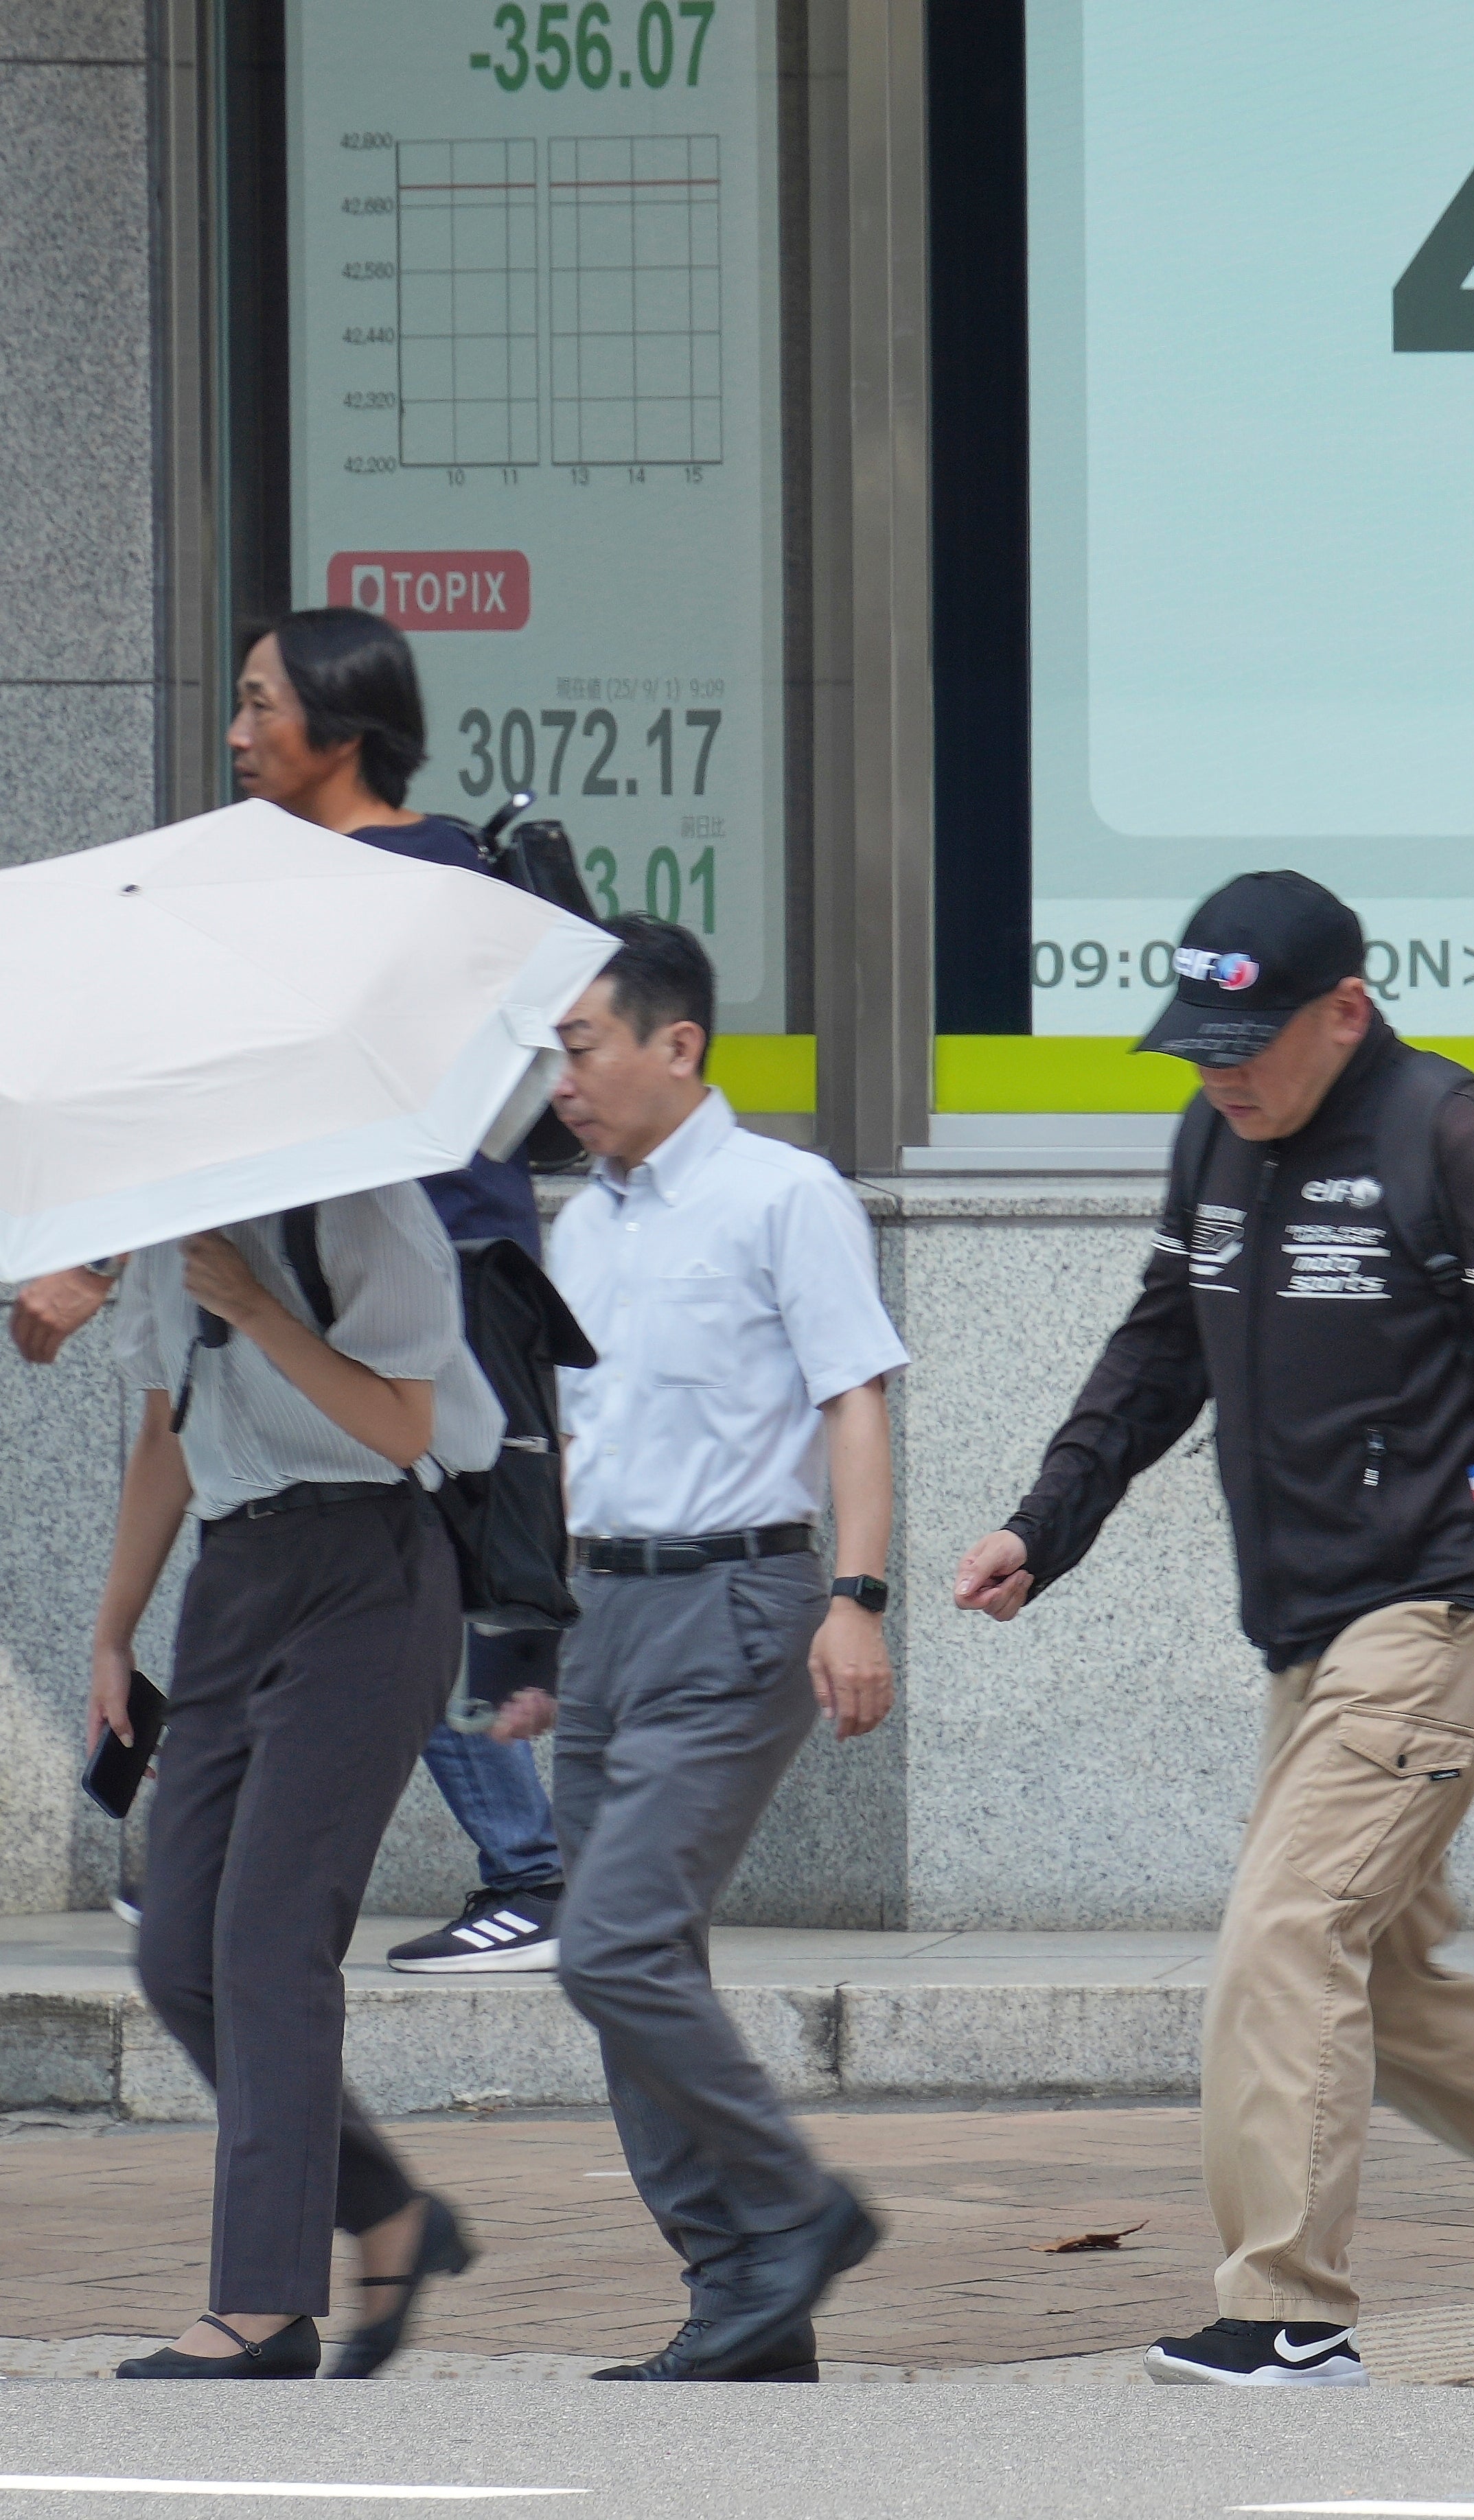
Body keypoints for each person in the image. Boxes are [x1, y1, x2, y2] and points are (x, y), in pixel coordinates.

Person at [953, 872, 1474, 2390]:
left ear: (1344, 1011)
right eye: (1199, 1047)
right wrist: (1046, 1522)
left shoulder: (1456, 1137)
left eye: (1249, 1043)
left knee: (1285, 1932)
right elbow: (1155, 1351)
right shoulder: (1214, 1141)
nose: (1222, 1074)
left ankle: (1288, 2308)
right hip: (1308, 1620)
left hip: (1451, 1597)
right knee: (1377, 1971)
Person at [504, 916, 908, 2383]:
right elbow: (574, 1441)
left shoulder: (781, 1195)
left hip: (742, 1603)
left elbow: (850, 1396)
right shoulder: (578, 1223)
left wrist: (856, 1597)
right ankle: (745, 2291)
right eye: (556, 1055)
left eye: (585, 1048)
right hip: (607, 1614)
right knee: (631, 1958)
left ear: (677, 1045)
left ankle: (797, 2211)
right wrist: (538, 1631)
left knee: (608, 1945)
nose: (566, 1082)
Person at [86, 1187, 505, 2377]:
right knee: (178, 1953)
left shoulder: (370, 1218)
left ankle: (263, 2307)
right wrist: (117, 1632)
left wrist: (259, 1306)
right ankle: (390, 2211)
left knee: (269, 1942)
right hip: (233, 1580)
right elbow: (167, 1434)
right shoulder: (169, 1232)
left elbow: (403, 1428)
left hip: (370, 1573)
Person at [250, 609, 571, 1970]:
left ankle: (532, 1873)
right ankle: (235, 1847)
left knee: (412, 1589)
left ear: (340, 722)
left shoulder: (406, 890)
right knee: (318, 1580)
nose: (238, 732)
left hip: (430, 1300)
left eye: (263, 704)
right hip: (378, 1294)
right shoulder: (357, 881)